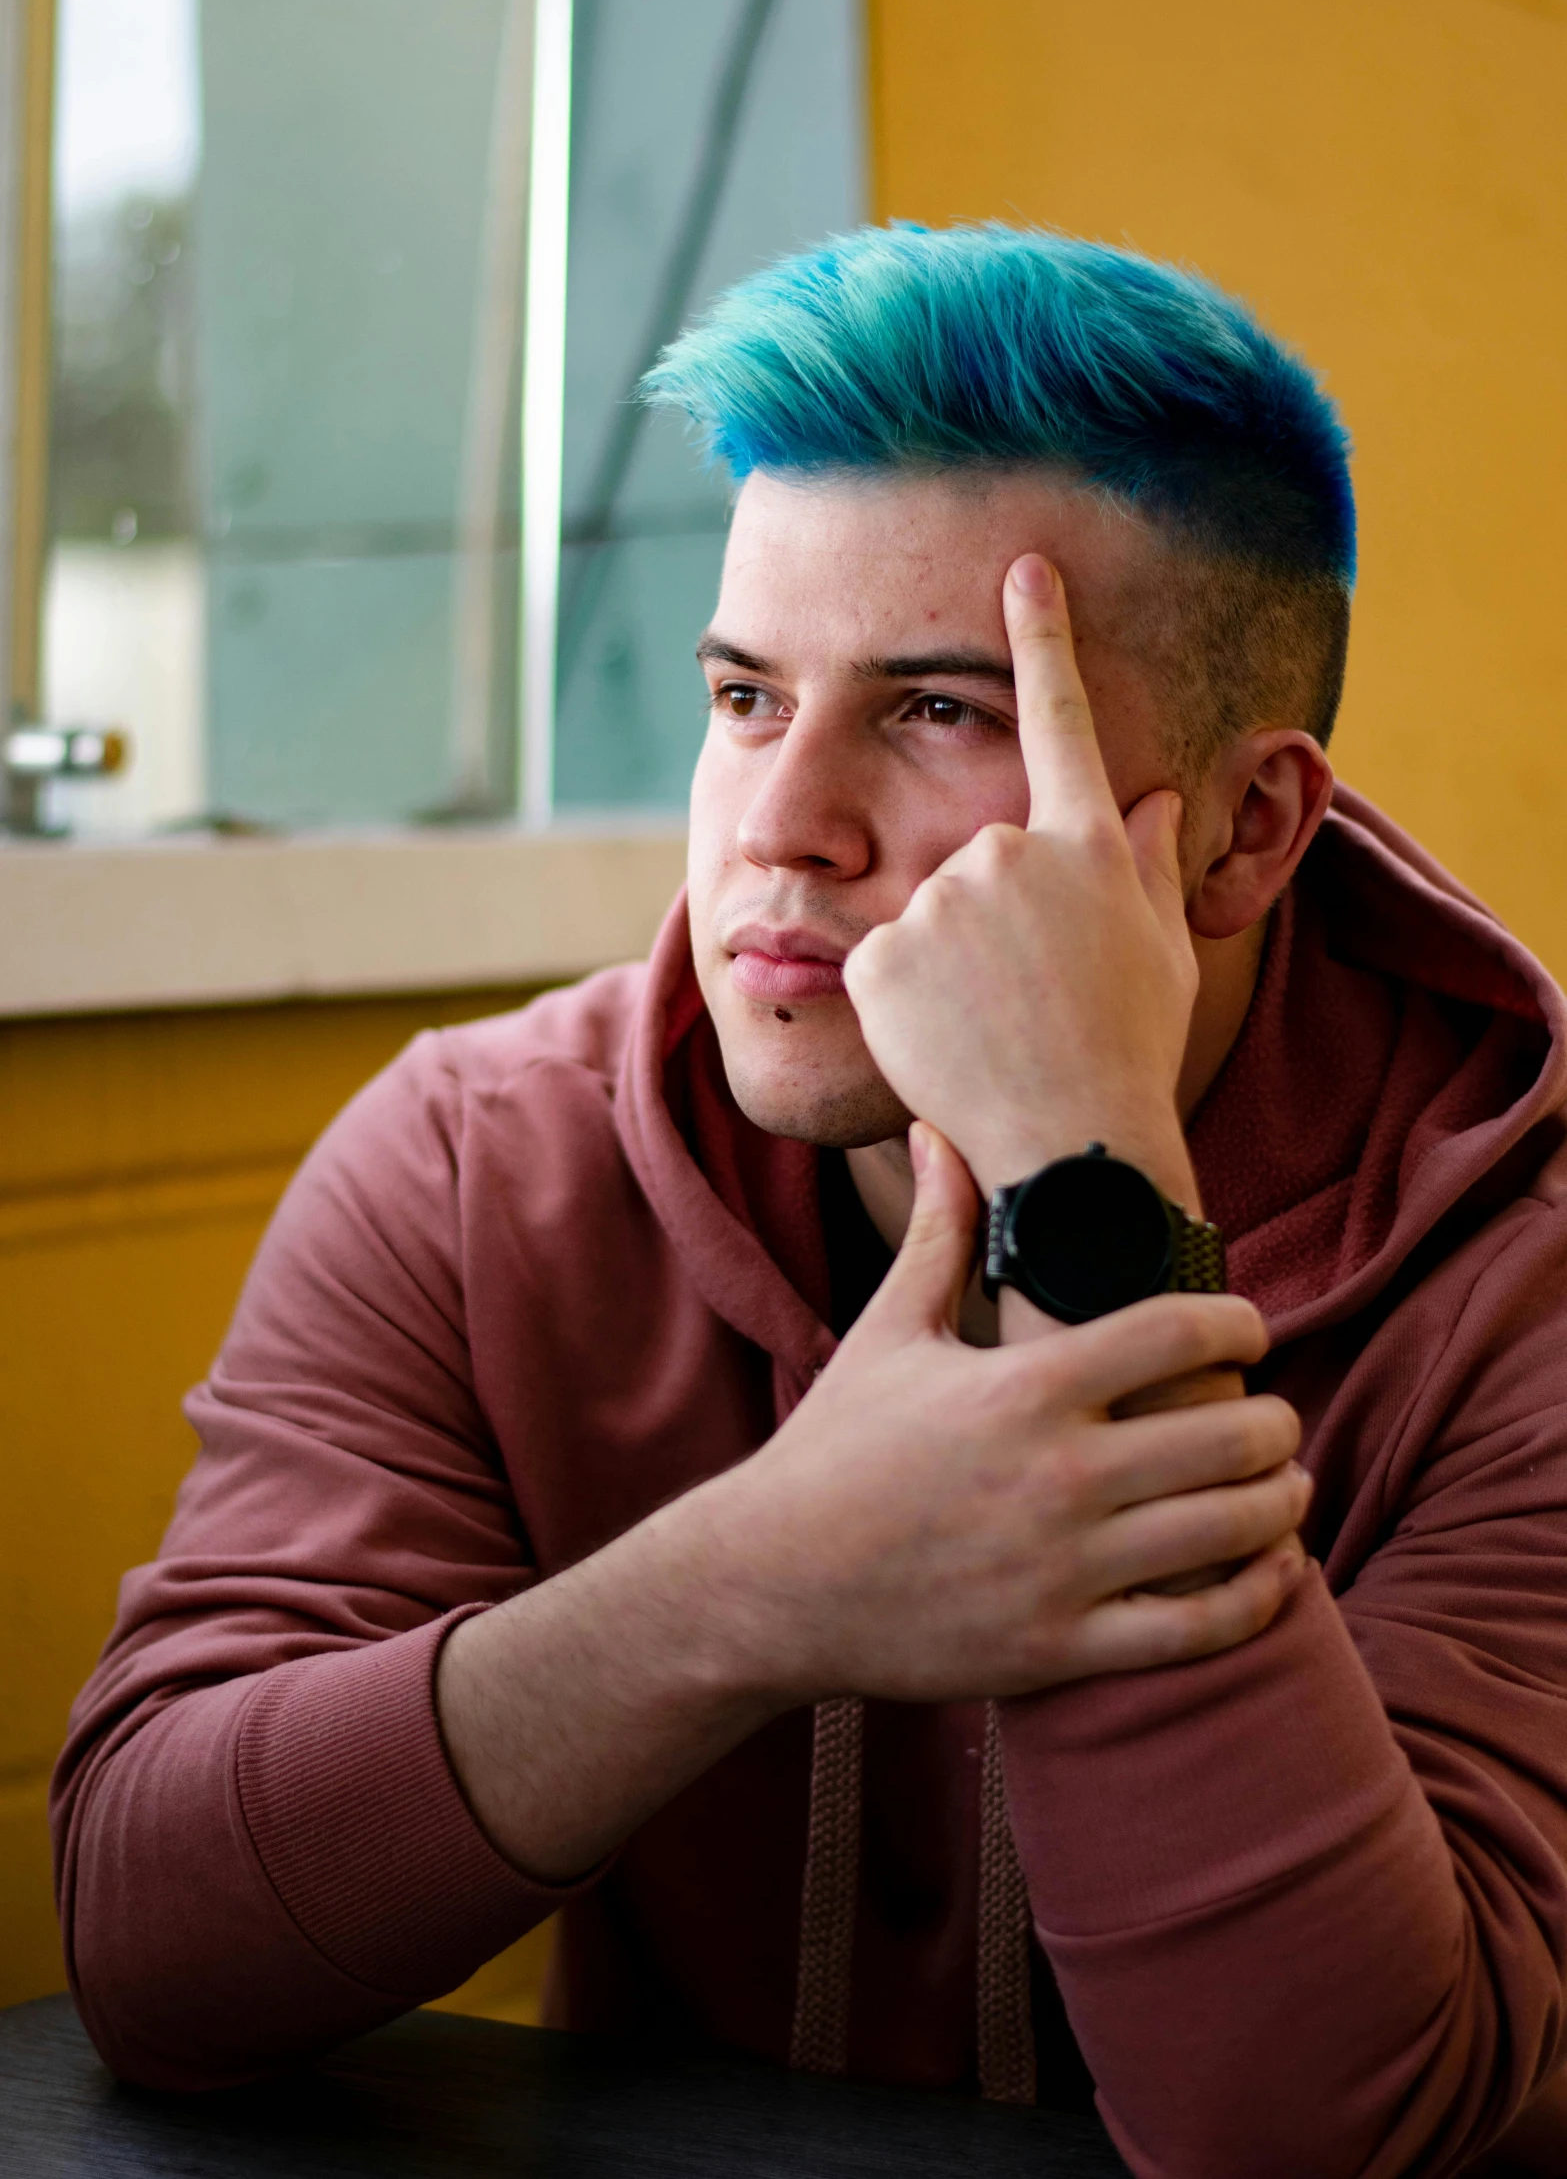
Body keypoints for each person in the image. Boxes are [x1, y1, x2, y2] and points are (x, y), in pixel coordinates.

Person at [53, 225, 1567, 2179]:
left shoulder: (1522, 1277)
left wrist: (1085, 1186)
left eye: (938, 708)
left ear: (1251, 828)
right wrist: (754, 1579)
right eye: (747, 693)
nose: (778, 824)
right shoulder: (475, 1159)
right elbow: (154, 1945)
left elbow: (1320, 2128)